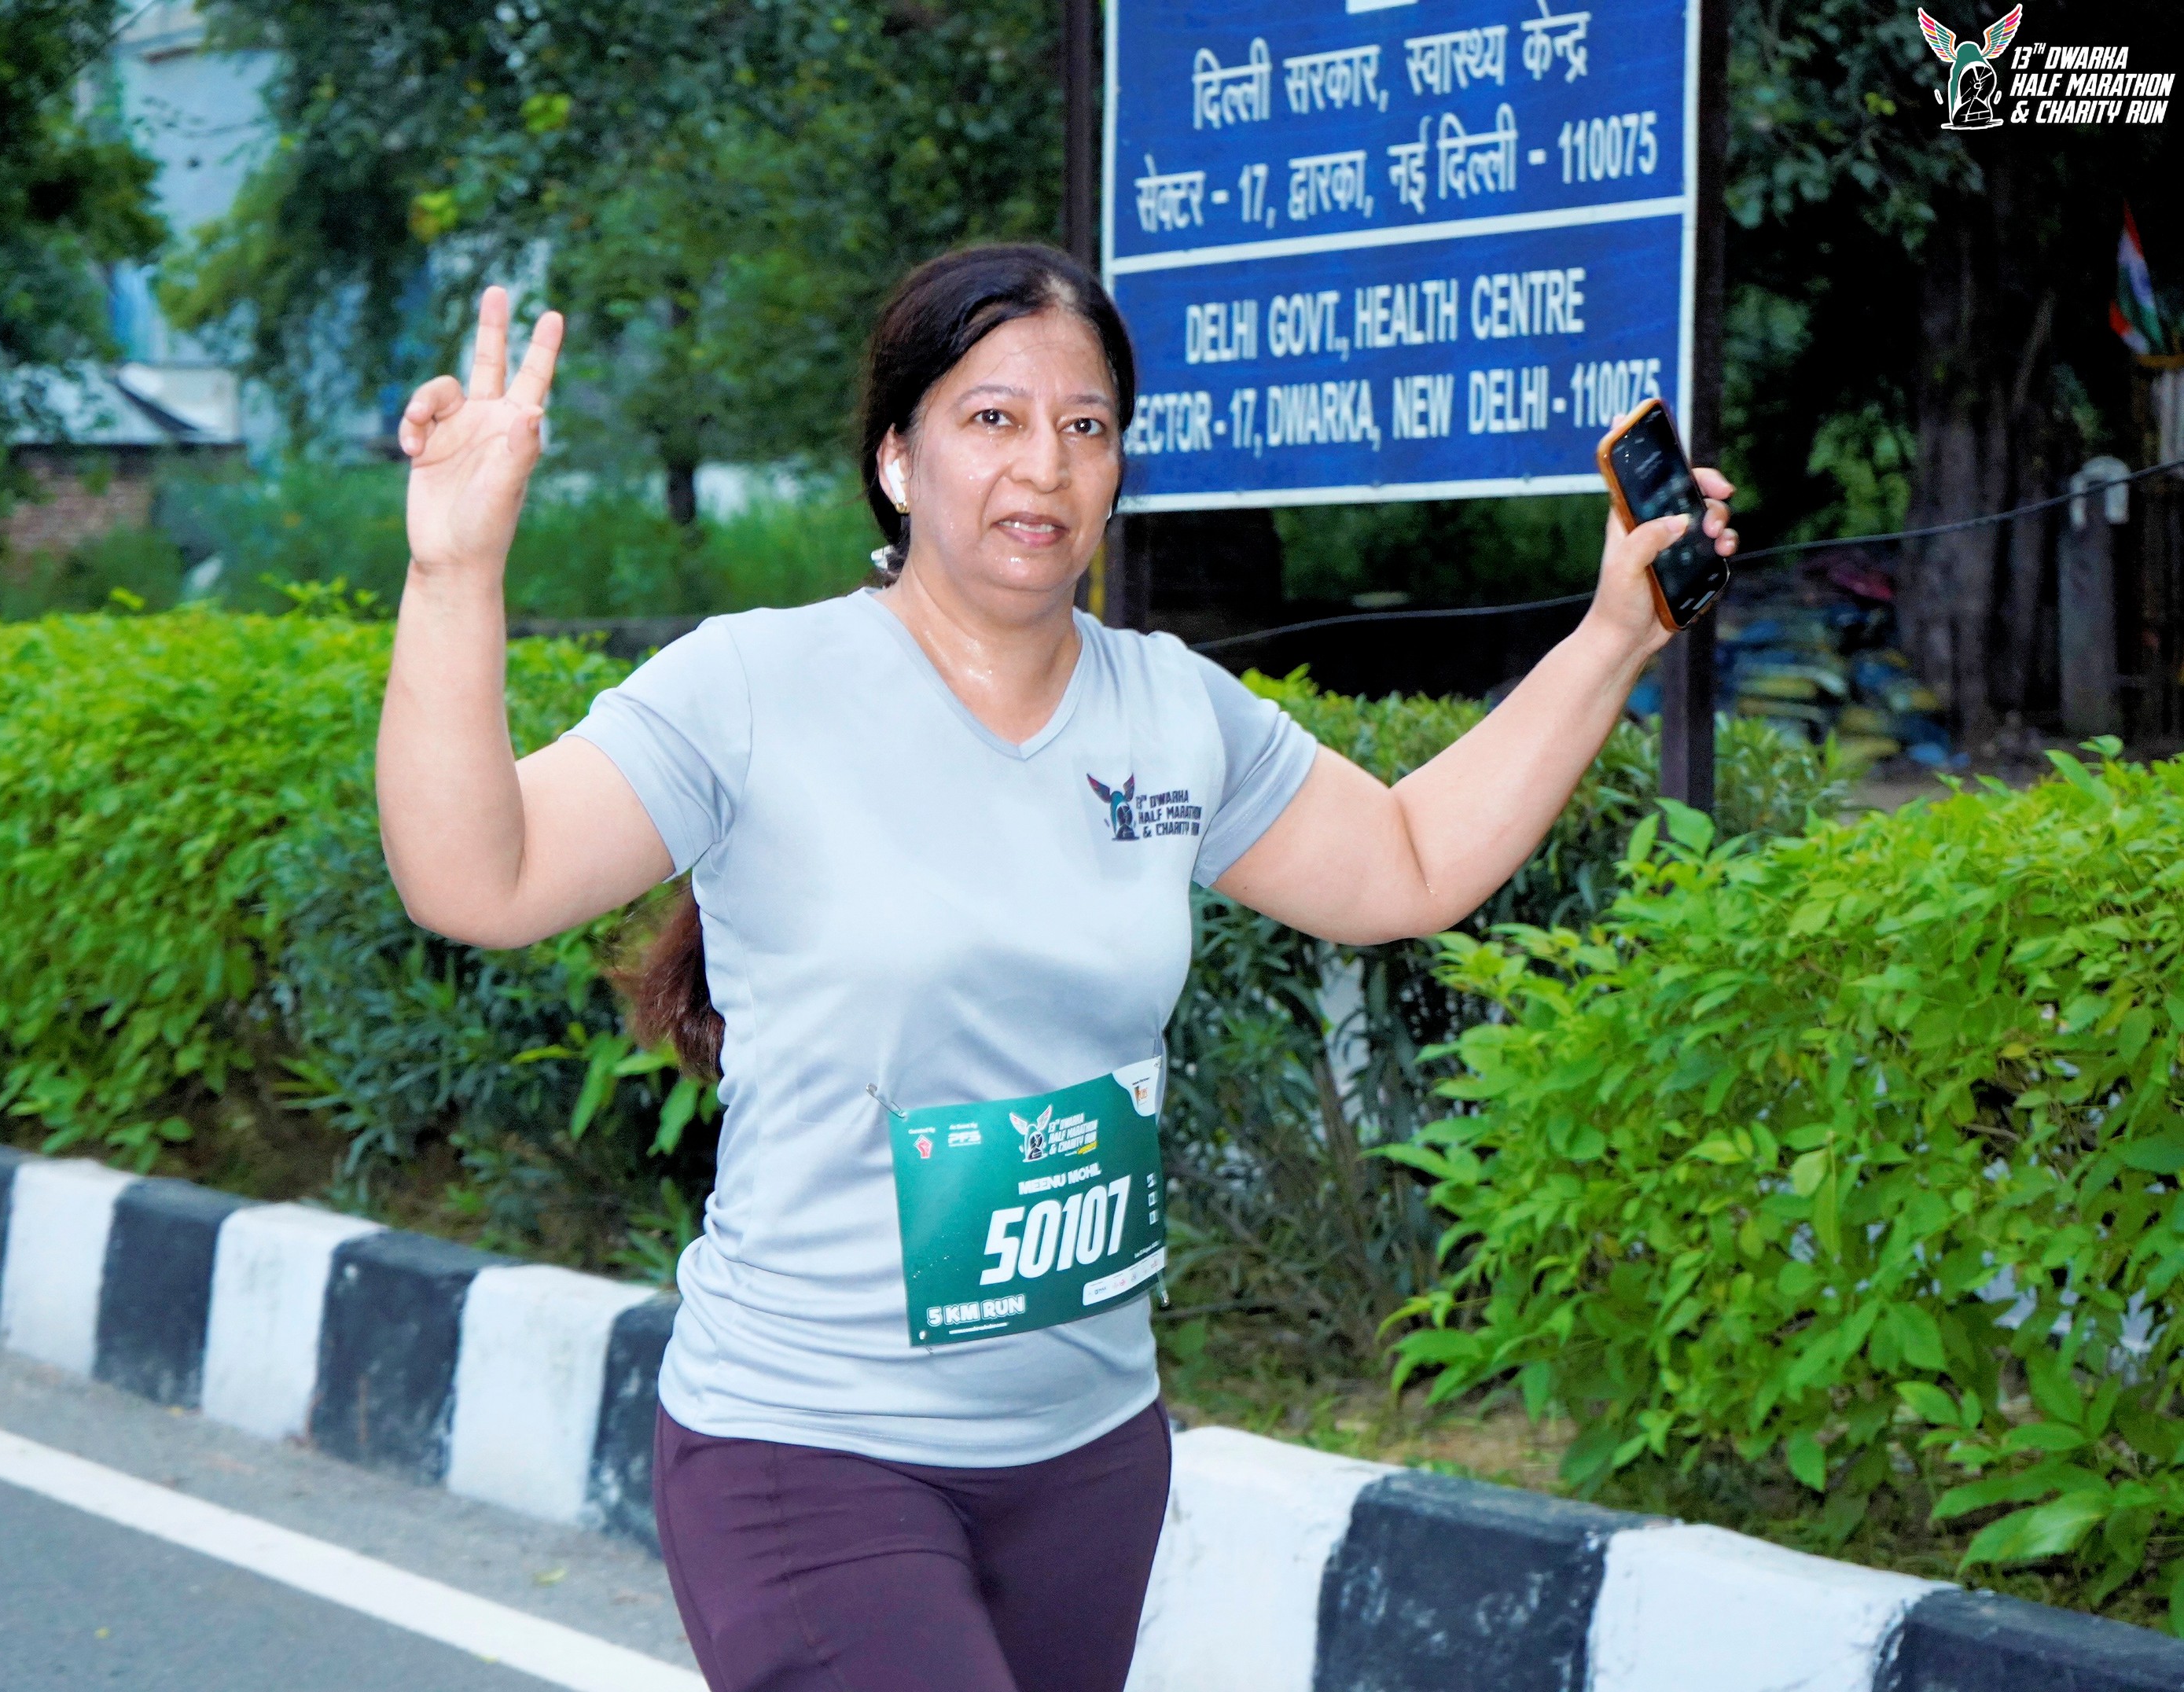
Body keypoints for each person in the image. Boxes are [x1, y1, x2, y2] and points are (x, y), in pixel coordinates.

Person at [378, 243, 1736, 1692]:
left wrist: (1617, 631)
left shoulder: (1171, 710)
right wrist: (454, 571)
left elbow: (1406, 862)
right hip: (811, 1447)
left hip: (1086, 1460)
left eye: (1086, 425)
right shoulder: (754, 688)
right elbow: (477, 877)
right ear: (898, 460)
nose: (1044, 464)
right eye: (992, 418)